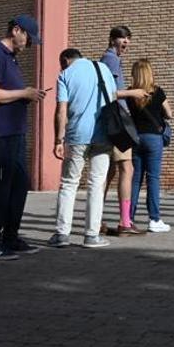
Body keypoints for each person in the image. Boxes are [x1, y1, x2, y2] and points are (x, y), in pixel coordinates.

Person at [0, 16, 46, 260]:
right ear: (16, 30)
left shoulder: (11, 58)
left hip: (16, 133)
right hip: (1, 132)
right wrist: (24, 92)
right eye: (28, 38)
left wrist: (25, 95)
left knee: (19, 185)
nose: (28, 44)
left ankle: (11, 236)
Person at [47, 49, 116, 248]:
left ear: (66, 60)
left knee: (69, 183)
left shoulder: (66, 74)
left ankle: (62, 234)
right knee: (96, 184)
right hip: (103, 134)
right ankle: (91, 235)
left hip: (77, 135)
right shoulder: (103, 69)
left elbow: (61, 110)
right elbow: (112, 99)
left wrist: (58, 140)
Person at [126, 59, 174, 232]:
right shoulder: (157, 91)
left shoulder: (130, 93)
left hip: (136, 137)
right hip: (154, 138)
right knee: (153, 178)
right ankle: (154, 219)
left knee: (135, 179)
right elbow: (169, 113)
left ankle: (128, 218)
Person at [101, 26, 139, 236]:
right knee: (127, 169)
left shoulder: (110, 59)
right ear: (113, 39)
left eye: (128, 39)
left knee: (109, 171)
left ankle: (97, 218)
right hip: (117, 121)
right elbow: (110, 92)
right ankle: (125, 222)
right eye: (123, 38)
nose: (126, 42)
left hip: (112, 120)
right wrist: (134, 92)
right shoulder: (111, 60)